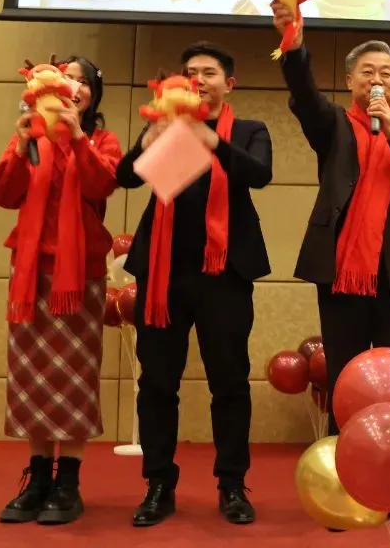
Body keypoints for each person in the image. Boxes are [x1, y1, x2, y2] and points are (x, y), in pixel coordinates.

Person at [269, 2, 390, 528]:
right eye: (367, 72)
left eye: (386, 73)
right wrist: (293, 39)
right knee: (347, 385)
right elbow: (303, 95)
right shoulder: (333, 128)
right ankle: (347, 491)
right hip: (341, 274)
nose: (376, 80)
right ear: (349, 81)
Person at [116, 41, 273, 527]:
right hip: (163, 273)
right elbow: (125, 178)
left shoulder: (248, 130)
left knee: (229, 382)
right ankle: (158, 484)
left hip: (225, 274)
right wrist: (149, 140)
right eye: (190, 73)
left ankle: (232, 485)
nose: (198, 80)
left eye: (208, 72)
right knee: (157, 383)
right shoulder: (164, 126)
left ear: (229, 84)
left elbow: (259, 174)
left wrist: (210, 139)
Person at [0, 55, 120, 525]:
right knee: (31, 376)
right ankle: (38, 478)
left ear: (91, 96)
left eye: (82, 82)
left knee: (75, 376)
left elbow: (103, 183)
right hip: (31, 273)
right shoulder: (31, 137)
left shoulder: (101, 140)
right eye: (66, 79)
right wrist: (22, 144)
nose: (72, 87)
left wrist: (77, 136)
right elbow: (0, 193)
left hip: (81, 274)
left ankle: (68, 483)